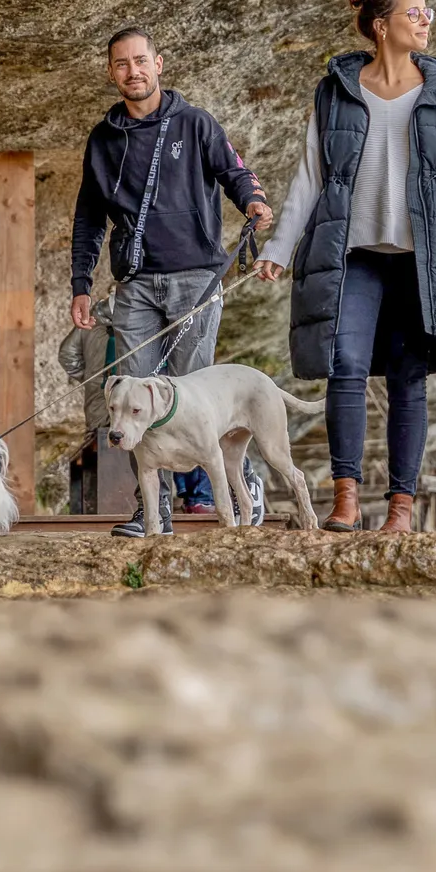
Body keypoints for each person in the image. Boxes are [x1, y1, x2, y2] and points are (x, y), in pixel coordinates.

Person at [257, 0, 436, 534]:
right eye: (415, 12)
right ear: (382, 26)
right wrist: (279, 249)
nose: (426, 19)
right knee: (345, 367)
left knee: (408, 377)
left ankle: (401, 509)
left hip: (419, 257)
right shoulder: (336, 89)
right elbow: (312, 174)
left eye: (428, 11)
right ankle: (346, 498)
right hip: (353, 252)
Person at [70, 27, 275, 537]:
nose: (133, 71)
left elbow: (234, 170)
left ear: (159, 64)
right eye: (122, 64)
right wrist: (80, 283)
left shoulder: (195, 123)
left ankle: (229, 488)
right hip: (136, 284)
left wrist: (252, 199)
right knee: (134, 404)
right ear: (111, 71)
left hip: (195, 280)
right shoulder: (102, 140)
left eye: (141, 61)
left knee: (194, 394)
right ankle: (152, 510)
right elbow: (89, 219)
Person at [56, 297, 265, 523]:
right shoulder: (153, 314)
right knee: (182, 437)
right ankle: (193, 500)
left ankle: (197, 497)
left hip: (119, 406)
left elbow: (67, 355)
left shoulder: (96, 317)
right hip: (141, 404)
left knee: (187, 437)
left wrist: (92, 382)